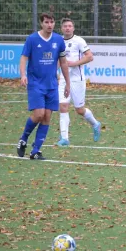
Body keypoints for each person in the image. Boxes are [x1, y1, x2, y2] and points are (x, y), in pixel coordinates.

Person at [17, 13, 71, 160]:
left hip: (52, 84)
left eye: (52, 22)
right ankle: (23, 139)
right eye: (47, 22)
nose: (49, 25)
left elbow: (64, 63)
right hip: (35, 83)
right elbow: (24, 58)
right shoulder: (32, 39)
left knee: (47, 117)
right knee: (38, 114)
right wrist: (23, 75)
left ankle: (36, 150)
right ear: (41, 23)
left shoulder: (59, 39)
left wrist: (67, 83)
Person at [56, 18, 101, 146]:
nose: (67, 28)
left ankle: (95, 124)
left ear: (73, 28)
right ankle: (64, 138)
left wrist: (75, 63)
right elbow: (58, 60)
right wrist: (54, 72)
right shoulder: (58, 41)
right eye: (65, 26)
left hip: (77, 80)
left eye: (70, 26)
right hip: (64, 79)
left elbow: (90, 56)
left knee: (79, 110)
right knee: (63, 106)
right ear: (62, 28)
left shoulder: (79, 41)